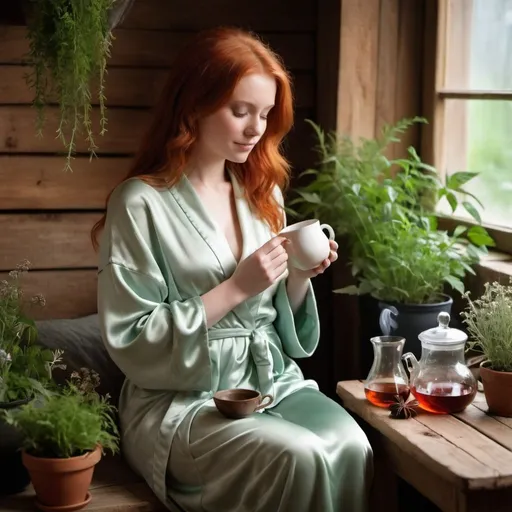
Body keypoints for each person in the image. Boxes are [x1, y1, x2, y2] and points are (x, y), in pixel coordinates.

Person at [92, 27, 373, 512]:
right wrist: (237, 286)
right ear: (193, 104)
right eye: (240, 111)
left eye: (264, 115)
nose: (255, 129)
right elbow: (132, 335)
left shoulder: (263, 195)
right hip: (181, 399)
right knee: (298, 457)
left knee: (353, 445)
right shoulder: (139, 204)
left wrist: (300, 277)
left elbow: (278, 321)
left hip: (269, 380)